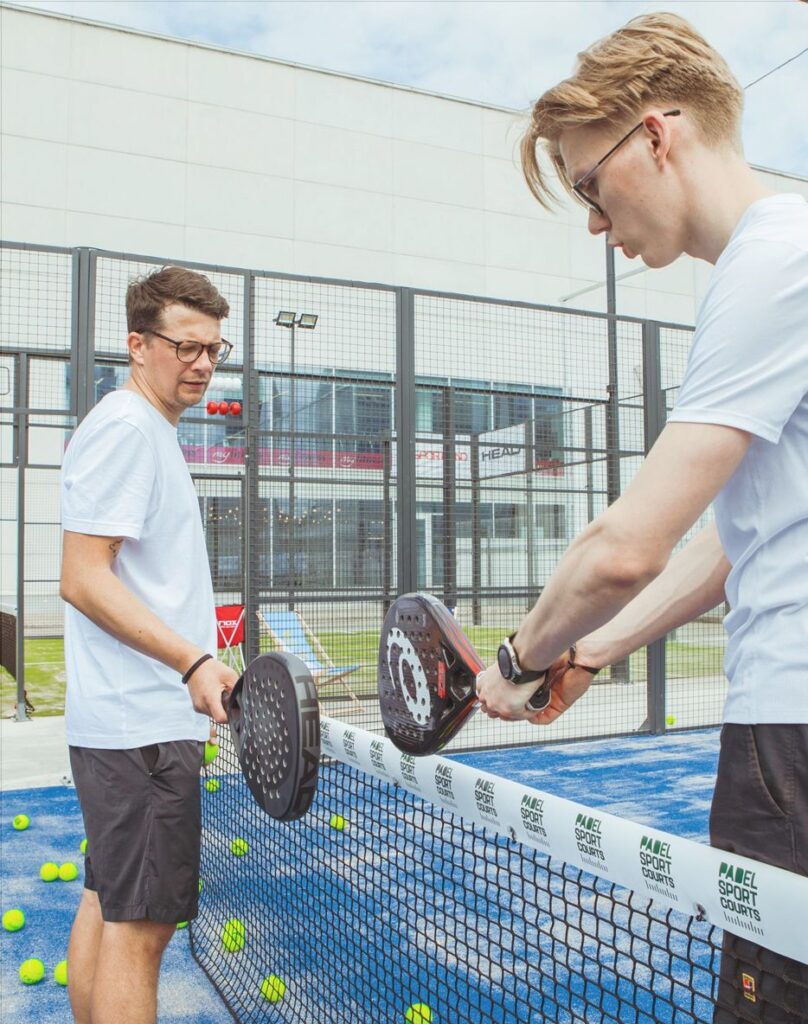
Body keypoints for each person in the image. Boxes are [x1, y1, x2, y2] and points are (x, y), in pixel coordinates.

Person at [475, 13, 808, 1023]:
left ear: (657, 136)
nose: (590, 220)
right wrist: (598, 651)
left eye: (586, 184)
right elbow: (732, 544)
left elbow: (624, 547)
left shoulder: (771, 260)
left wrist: (520, 658)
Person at [60, 266, 239, 1024]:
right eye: (184, 346)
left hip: (130, 728)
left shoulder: (147, 430)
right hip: (141, 730)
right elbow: (82, 577)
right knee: (144, 935)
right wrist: (192, 661)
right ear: (138, 345)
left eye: (213, 349)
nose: (200, 363)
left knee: (107, 905)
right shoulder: (129, 429)